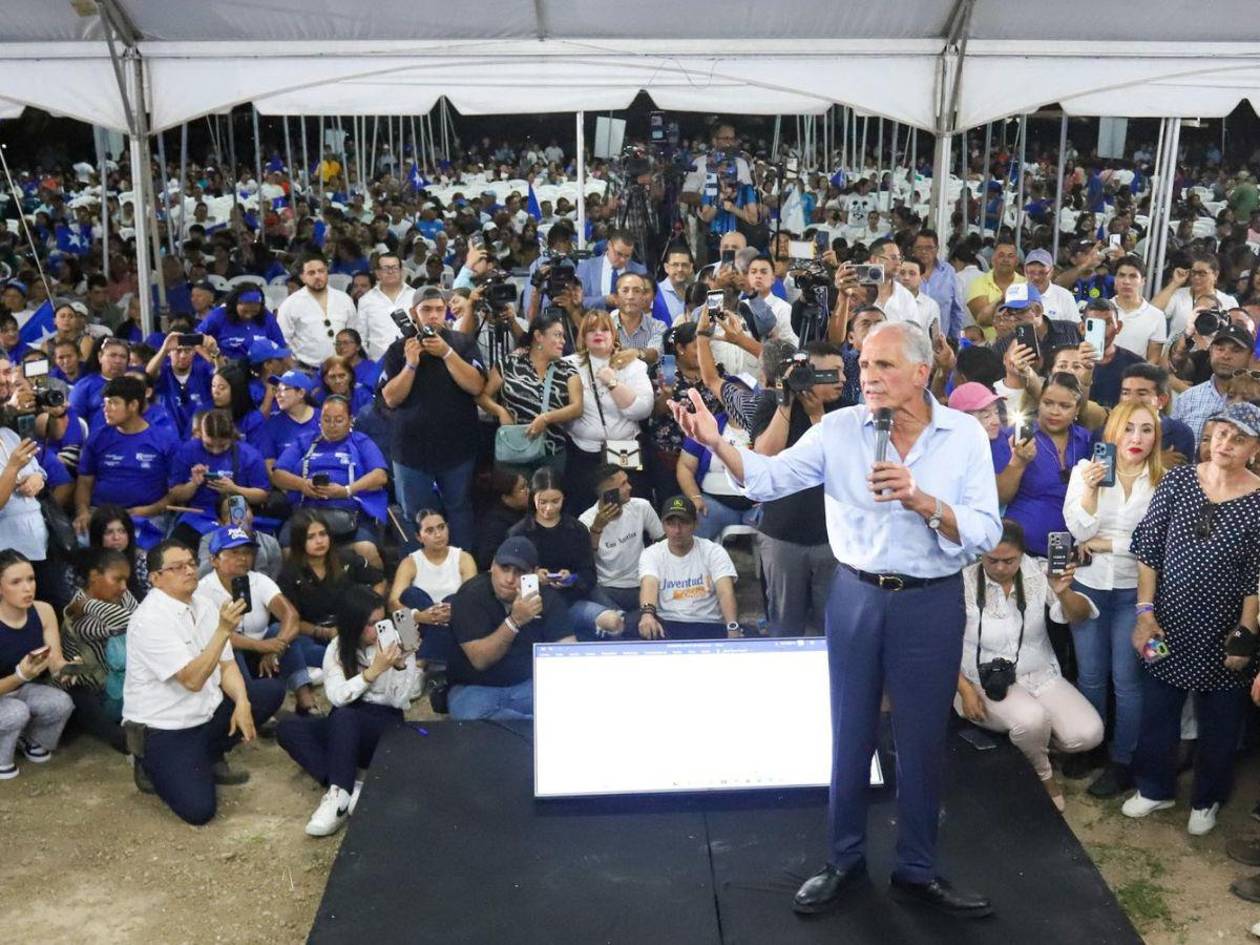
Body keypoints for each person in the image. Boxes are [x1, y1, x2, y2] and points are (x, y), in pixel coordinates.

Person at [673, 320, 1002, 918]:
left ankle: (917, 869)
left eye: (883, 366)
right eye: (864, 364)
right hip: (853, 596)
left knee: (923, 740)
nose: (866, 377)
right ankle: (844, 860)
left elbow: (985, 532)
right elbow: (769, 480)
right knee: (850, 732)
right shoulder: (840, 429)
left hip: (930, 600)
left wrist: (923, 500)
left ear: (921, 373)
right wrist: (716, 443)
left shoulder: (964, 437)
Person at [1124, 402, 1260, 837]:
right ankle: (1154, 787)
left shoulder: (1259, 501)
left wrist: (1246, 632)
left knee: (1220, 722)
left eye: (1239, 439)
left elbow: (1258, 575)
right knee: (1158, 711)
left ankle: (1208, 798)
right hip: (1166, 624)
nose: (1226, 444)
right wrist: (1144, 613)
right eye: (1221, 434)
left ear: (1254, 449)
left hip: (1225, 632)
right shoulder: (1179, 481)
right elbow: (1149, 550)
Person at [122, 540, 285, 825]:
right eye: (177, 567)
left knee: (269, 691)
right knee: (199, 811)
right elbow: (193, 680)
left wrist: (242, 702)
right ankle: (148, 763)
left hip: (204, 711)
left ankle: (208, 753)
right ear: (155, 578)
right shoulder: (149, 619)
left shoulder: (205, 605)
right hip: (165, 727)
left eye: (191, 564)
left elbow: (227, 663)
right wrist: (223, 630)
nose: (188, 571)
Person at [954, 519, 1103, 811]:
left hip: (1040, 675)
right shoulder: (962, 582)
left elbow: (1080, 615)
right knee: (1030, 720)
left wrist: (1062, 591)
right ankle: (1043, 776)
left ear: (1022, 554)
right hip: (982, 683)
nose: (999, 568)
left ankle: (1026, 746)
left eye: (1008, 561)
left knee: (1089, 734)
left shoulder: (1037, 571)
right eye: (991, 560)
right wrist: (965, 690)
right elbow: (938, 645)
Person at [1062, 401, 1164, 797]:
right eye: (1129, 429)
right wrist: (1089, 487)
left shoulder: (1162, 481)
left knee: (1128, 680)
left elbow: (1155, 544)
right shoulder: (1084, 471)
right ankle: (1091, 747)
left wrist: (1107, 543)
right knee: (1089, 675)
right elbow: (1078, 528)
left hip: (1135, 594)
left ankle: (1124, 759)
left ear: (1157, 436)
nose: (1137, 438)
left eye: (1147, 430)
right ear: (1113, 432)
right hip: (1087, 586)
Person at [276, 586, 416, 837]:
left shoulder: (397, 642)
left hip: (385, 725)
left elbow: (401, 700)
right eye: (371, 623)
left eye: (381, 620)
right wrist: (372, 672)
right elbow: (336, 695)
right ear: (354, 624)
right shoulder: (337, 648)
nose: (378, 628)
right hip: (346, 723)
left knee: (345, 715)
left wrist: (401, 665)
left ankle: (338, 797)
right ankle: (350, 784)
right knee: (288, 727)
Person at [749, 341, 846, 636]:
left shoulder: (847, 410)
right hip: (782, 535)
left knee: (832, 625)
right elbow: (765, 456)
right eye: (833, 374)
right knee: (784, 625)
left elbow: (841, 465)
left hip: (831, 537)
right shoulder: (770, 404)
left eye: (843, 372)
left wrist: (818, 417)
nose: (842, 379)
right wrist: (786, 403)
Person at [379, 286, 486, 547]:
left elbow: (476, 386)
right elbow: (391, 398)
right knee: (416, 516)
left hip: (457, 449)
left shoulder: (462, 343)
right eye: (427, 310)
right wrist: (411, 363)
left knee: (459, 509)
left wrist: (447, 353)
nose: (433, 315)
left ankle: (463, 571)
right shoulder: (398, 349)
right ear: (414, 313)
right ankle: (418, 571)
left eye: (439, 309)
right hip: (411, 452)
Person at [447, 536, 574, 720]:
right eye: (504, 568)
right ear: (492, 565)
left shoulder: (547, 598)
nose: (509, 579)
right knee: (470, 716)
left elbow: (567, 651)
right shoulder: (470, 595)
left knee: (567, 704)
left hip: (527, 685)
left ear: (534, 573)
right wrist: (514, 621)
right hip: (475, 688)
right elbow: (480, 660)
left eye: (519, 572)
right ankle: (526, 726)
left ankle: (516, 726)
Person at [196, 526, 316, 714]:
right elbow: (214, 636)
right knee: (227, 648)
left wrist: (278, 645)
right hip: (230, 658)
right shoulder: (203, 590)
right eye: (234, 552)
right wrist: (262, 646)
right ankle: (249, 706)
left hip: (265, 653)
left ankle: (305, 699)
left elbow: (290, 615)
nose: (243, 558)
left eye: (247, 552)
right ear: (214, 560)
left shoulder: (259, 580)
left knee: (279, 629)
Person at [272, 396, 389, 567]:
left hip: (351, 514)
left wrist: (346, 490)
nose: (332, 425)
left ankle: (378, 587)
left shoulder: (361, 441)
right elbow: (278, 475)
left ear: (350, 420)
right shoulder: (304, 441)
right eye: (327, 420)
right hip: (307, 514)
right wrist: (302, 485)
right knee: (288, 550)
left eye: (339, 420)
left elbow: (380, 476)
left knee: (367, 550)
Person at [563, 310, 654, 512]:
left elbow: (642, 410)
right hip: (584, 454)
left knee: (630, 508)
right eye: (591, 330)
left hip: (625, 450)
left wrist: (612, 383)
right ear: (582, 337)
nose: (599, 334)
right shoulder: (568, 365)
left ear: (614, 335)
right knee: (587, 511)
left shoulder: (633, 365)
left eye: (605, 329)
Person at [996, 372, 1093, 558]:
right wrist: (1018, 463)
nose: (1054, 411)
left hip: (1072, 553)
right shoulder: (1015, 436)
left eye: (1065, 406)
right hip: (1022, 550)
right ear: (1039, 402)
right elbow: (1001, 497)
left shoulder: (1086, 440)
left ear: (1078, 409)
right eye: (1048, 403)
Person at [0, 550, 76, 780]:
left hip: (22, 689)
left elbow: (55, 661)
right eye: (16, 582)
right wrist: (20, 675)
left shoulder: (43, 611)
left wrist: (68, 670)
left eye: (30, 579)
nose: (27, 588)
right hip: (8, 691)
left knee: (61, 702)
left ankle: (30, 740)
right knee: (15, 712)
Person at [479, 309, 583, 474]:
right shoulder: (509, 363)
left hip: (551, 451)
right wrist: (500, 411)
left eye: (563, 336)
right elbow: (482, 396)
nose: (563, 341)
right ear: (539, 336)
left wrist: (546, 418)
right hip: (513, 448)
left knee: (548, 497)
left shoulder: (567, 369)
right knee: (514, 496)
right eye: (557, 335)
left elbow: (577, 407)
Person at [74, 375, 180, 538]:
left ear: (133, 405)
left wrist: (149, 510)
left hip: (148, 515)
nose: (106, 409)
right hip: (101, 514)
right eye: (106, 403)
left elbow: (175, 492)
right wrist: (82, 512)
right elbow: (84, 482)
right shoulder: (97, 438)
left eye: (114, 403)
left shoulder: (164, 441)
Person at [59, 548, 137, 752]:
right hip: (89, 688)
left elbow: (140, 619)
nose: (123, 587)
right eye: (117, 579)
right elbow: (129, 621)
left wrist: (85, 604)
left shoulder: (118, 595)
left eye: (125, 580)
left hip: (117, 682)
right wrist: (87, 605)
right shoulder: (78, 616)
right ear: (94, 576)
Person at [636, 495, 740, 641]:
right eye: (671, 524)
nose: (677, 530)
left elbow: (725, 591)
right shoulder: (651, 553)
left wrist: (732, 626)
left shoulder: (713, 551)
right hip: (667, 623)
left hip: (708, 623)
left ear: (695, 524)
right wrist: (647, 614)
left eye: (684, 523)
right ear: (663, 525)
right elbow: (649, 584)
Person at [388, 509, 477, 669]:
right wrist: (420, 616)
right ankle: (433, 658)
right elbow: (393, 603)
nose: (438, 534)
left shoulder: (463, 558)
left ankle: (423, 660)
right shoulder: (410, 562)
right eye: (430, 530)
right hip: (418, 629)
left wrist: (448, 611)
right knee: (410, 595)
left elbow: (472, 599)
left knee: (454, 600)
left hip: (454, 623)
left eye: (441, 527)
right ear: (418, 537)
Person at [166, 409, 270, 544]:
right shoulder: (187, 451)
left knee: (238, 545)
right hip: (199, 512)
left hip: (236, 507)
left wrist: (234, 489)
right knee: (178, 544)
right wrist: (193, 484)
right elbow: (175, 494)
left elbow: (262, 495)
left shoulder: (249, 455)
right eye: (208, 445)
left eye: (222, 446)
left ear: (231, 437)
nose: (216, 451)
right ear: (199, 435)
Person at [580, 464, 665, 613]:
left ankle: (628, 619)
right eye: (623, 484)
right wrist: (596, 529)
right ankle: (622, 619)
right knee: (590, 590)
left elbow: (662, 541)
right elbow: (587, 563)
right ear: (607, 492)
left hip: (642, 583)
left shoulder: (641, 507)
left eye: (627, 481)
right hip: (607, 587)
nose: (630, 487)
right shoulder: (586, 520)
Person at [1172, 324, 1255, 443]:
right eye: (1220, 349)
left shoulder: (1256, 398)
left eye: (1236, 351)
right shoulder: (1187, 399)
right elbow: (1172, 444)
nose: (1225, 356)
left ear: (1251, 357)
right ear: (1210, 351)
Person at [276, 253, 356, 370]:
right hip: (306, 370)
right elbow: (282, 341)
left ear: (327, 272)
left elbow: (354, 334)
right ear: (302, 277)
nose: (317, 276)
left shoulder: (344, 299)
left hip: (342, 368)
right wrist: (294, 368)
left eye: (321, 271)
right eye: (311, 273)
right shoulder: (290, 304)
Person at [1119, 363, 1197, 462]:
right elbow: (1103, 472)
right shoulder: (1108, 430)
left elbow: (1183, 474)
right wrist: (1156, 463)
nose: (1132, 400)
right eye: (1126, 393)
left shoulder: (1180, 433)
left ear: (1162, 400)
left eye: (1141, 393)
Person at [195, 283, 287, 363]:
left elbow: (281, 347)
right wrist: (211, 360)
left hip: (260, 368)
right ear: (235, 303)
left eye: (254, 310)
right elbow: (195, 340)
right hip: (228, 369)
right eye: (245, 309)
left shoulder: (267, 317)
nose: (250, 314)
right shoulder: (219, 315)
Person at [349, 252, 416, 360]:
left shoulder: (415, 296)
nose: (390, 271)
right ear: (377, 273)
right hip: (378, 364)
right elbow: (361, 337)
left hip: (412, 361)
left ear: (401, 271)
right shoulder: (366, 300)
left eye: (394, 268)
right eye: (386, 268)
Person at [256, 369, 319, 468]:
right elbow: (269, 464)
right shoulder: (272, 424)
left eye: (284, 389)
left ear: (301, 393)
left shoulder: (324, 419)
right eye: (276, 390)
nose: (278, 395)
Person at [574, 229, 647, 312]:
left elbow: (646, 301)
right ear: (609, 245)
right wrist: (604, 300)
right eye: (619, 254)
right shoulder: (587, 267)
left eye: (627, 256)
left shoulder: (639, 271)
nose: (622, 259)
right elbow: (578, 301)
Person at [475, 467, 530, 571]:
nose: (528, 491)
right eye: (522, 489)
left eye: (527, 485)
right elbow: (486, 560)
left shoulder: (528, 510)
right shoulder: (495, 525)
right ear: (505, 497)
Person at [89, 505, 148, 600]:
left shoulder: (141, 560)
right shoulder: (84, 565)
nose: (116, 537)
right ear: (97, 536)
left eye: (122, 531)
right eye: (109, 532)